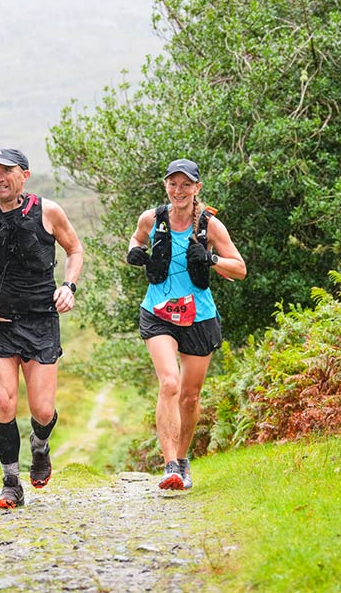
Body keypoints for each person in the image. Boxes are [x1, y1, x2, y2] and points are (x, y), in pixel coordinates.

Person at [0, 147, 84, 509]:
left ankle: (40, 446)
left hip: (41, 319)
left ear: (24, 175)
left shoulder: (48, 212)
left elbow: (75, 249)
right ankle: (11, 483)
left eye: (6, 171)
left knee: (43, 410)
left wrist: (68, 287)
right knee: (3, 400)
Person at [125, 158, 246, 491]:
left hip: (198, 317)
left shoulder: (210, 226)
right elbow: (136, 239)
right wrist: (134, 251)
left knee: (190, 398)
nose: (179, 191)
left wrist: (211, 258)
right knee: (169, 383)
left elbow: (239, 269)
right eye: (173, 184)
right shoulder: (151, 218)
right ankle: (170, 467)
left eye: (186, 185)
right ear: (165, 185)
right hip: (158, 312)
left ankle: (182, 459)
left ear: (197, 188)